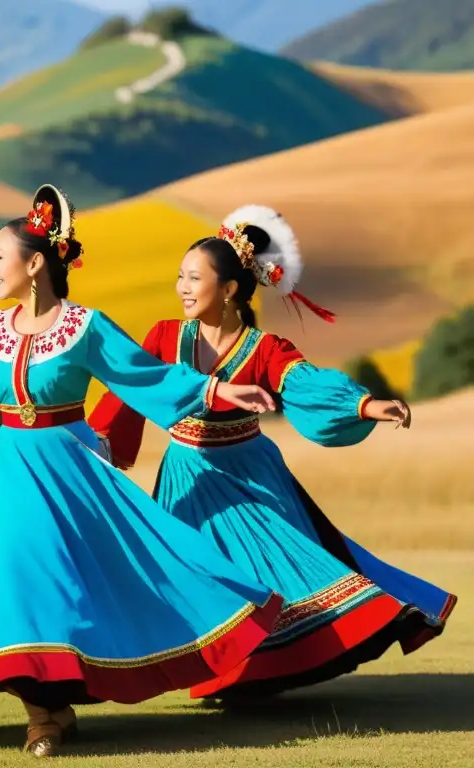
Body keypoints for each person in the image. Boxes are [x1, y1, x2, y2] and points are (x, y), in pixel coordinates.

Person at [0, 185, 287, 758]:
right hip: (10, 479)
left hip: (74, 476)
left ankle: (58, 706)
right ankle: (43, 714)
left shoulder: (86, 327)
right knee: (9, 591)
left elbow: (145, 376)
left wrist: (217, 387)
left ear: (35, 262)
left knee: (72, 595)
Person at [87, 204, 457, 702]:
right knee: (204, 576)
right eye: (180, 276)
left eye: (194, 278)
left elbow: (306, 386)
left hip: (252, 477)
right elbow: (131, 389)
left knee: (276, 574)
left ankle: (260, 673)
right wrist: (91, 445)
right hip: (187, 477)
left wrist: (365, 404)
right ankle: (224, 676)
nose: (182, 287)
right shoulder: (165, 338)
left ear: (231, 289)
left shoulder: (265, 349)